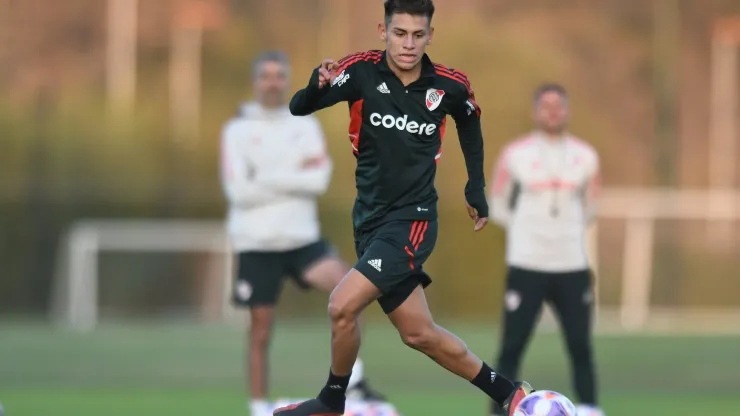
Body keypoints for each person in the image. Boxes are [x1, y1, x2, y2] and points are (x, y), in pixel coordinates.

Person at [273, 1, 535, 415]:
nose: (408, 44)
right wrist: (317, 85)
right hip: (369, 221)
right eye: (400, 34)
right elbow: (299, 107)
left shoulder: (449, 86)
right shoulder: (359, 72)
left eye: (417, 35)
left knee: (342, 304)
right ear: (383, 31)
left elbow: (470, 123)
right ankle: (510, 394)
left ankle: (332, 402)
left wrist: (476, 186)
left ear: (430, 35)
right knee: (418, 333)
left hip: (411, 222)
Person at [220, 50, 385, 416]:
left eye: (280, 75)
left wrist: (263, 175)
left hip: (302, 239)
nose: (273, 82)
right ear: (256, 81)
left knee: (352, 290)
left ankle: (351, 382)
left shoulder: (304, 124)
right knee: (261, 330)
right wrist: (293, 173)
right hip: (257, 242)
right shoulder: (237, 130)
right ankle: (259, 408)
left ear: (287, 79)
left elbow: (319, 179)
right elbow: (238, 191)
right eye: (267, 75)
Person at [488, 83, 604, 416]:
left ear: (567, 111)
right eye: (546, 106)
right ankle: (499, 411)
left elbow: (591, 205)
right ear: (535, 111)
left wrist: (563, 231)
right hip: (526, 263)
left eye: (559, 105)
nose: (553, 111)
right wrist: (526, 229)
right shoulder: (516, 154)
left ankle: (590, 409)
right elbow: (497, 203)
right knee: (511, 347)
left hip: (571, 264)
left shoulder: (586, 156)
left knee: (580, 346)